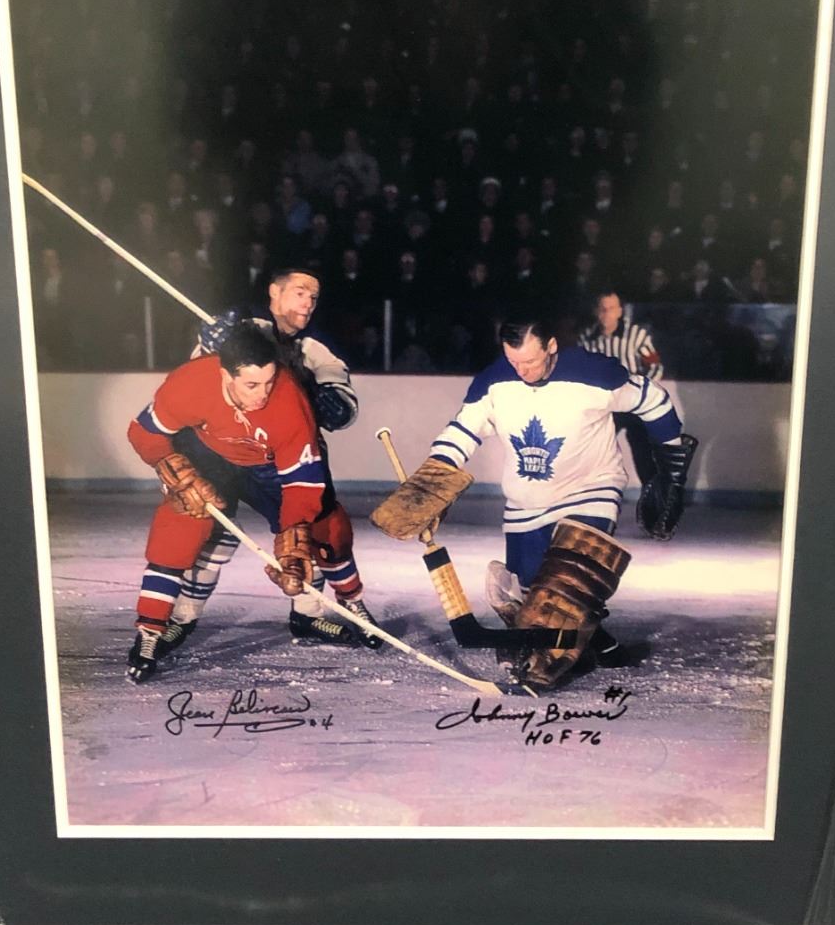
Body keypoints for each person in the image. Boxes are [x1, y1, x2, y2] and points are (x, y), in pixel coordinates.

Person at [372, 311, 697, 690]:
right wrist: (430, 483)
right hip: (527, 504)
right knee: (529, 597)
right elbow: (462, 432)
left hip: (591, 490)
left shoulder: (594, 374)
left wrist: (671, 467)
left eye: (529, 361)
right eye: (513, 361)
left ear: (551, 346)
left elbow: (653, 400)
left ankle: (547, 665)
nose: (521, 370)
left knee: (565, 589)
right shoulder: (494, 382)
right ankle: (602, 647)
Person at [181, 268, 380, 647]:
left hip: (283, 458)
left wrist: (331, 403)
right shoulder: (243, 328)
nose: (309, 302)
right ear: (274, 292)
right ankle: (182, 617)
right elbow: (196, 377)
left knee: (318, 529)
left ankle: (313, 613)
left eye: (314, 296)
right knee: (215, 528)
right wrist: (208, 347)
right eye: (300, 292)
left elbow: (342, 401)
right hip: (225, 450)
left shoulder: (316, 347)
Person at [124, 322, 330, 683]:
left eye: (269, 382)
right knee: (180, 527)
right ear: (225, 375)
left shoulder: (289, 401)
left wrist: (294, 540)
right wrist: (168, 464)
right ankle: (153, 629)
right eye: (252, 385)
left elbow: (303, 483)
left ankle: (308, 615)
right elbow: (143, 432)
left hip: (267, 466)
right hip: (210, 456)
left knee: (320, 527)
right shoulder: (190, 383)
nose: (262, 394)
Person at [577, 288, 666, 517]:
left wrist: (639, 392)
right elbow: (581, 371)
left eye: (611, 309)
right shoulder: (587, 338)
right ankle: (587, 505)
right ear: (596, 312)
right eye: (602, 309)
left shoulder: (637, 335)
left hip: (634, 407)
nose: (606, 313)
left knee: (644, 458)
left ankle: (656, 511)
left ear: (619, 311)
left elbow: (655, 366)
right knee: (592, 454)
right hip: (605, 408)